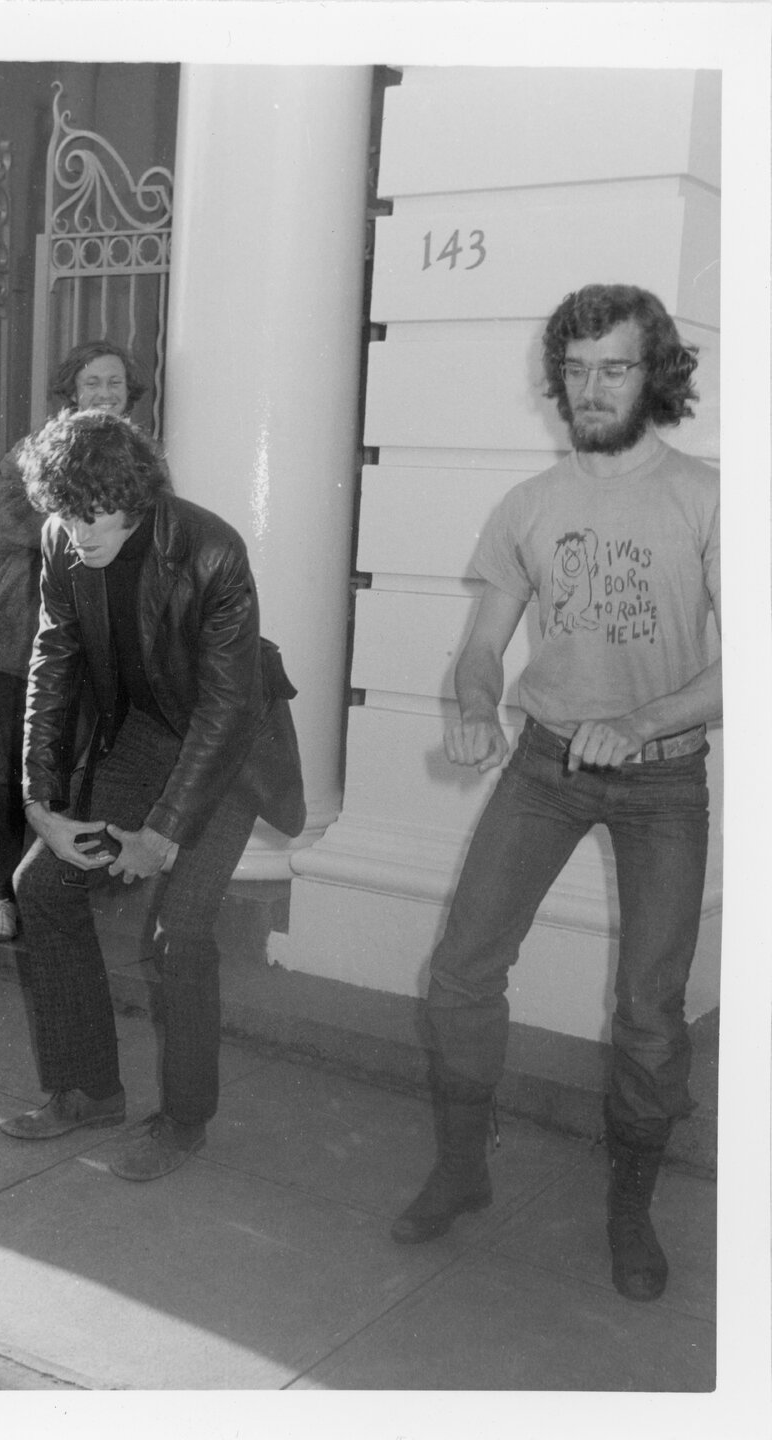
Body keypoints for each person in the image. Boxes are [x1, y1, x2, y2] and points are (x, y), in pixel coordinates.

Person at [391, 284, 720, 1305]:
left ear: (651, 374)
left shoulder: (710, 496)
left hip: (661, 781)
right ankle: (462, 1165)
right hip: (544, 765)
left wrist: (649, 718)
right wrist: (474, 704)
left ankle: (630, 1202)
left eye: (612, 367)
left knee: (649, 1014)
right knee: (458, 969)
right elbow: (482, 649)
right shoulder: (527, 505)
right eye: (574, 370)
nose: (589, 388)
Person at [0, 410, 305, 1182]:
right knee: (42, 883)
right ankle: (89, 1091)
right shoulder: (61, 544)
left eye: (94, 514)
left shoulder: (210, 549)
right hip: (145, 736)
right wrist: (42, 803)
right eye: (64, 515)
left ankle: (183, 1119)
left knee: (181, 929)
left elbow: (226, 710)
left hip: (228, 748)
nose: (80, 532)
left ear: (134, 497)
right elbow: (54, 662)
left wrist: (161, 834)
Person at [0, 341, 146, 942]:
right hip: (16, 635)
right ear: (71, 391)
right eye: (92, 382)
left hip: (99, 640)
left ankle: (60, 893)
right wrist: (99, 516)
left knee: (81, 766)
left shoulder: (139, 457)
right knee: (3, 771)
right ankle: (0, 895)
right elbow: (13, 524)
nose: (104, 393)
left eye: (114, 383)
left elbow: (153, 529)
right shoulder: (32, 451)